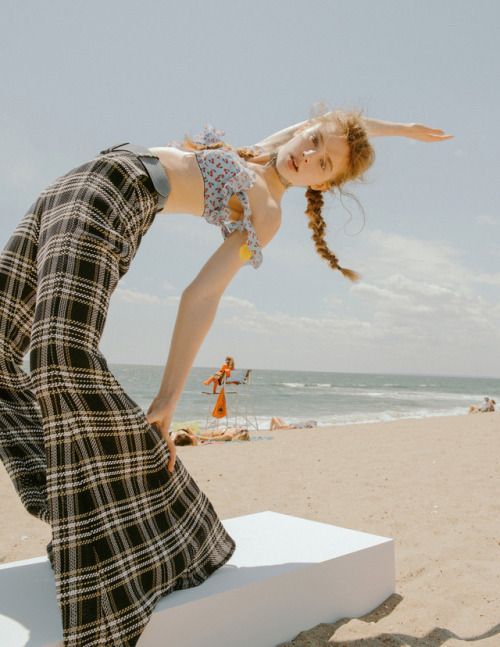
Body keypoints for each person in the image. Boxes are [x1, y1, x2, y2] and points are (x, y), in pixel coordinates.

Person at [0, 107, 452, 645]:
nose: (306, 154)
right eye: (310, 141)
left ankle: (137, 521)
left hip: (113, 200)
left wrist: (167, 399)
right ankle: (74, 491)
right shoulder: (261, 151)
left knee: (60, 356)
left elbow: (201, 296)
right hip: (75, 182)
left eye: (322, 162)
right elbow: (335, 115)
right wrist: (399, 130)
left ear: (324, 183)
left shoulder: (266, 211)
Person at [172, 426, 250, 445]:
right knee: (180, 431)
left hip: (200, 434)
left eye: (242, 429)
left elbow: (211, 439)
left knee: (181, 432)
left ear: (240, 432)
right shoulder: (230, 432)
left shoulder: (229, 436)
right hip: (200, 433)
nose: (239, 427)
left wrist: (194, 435)